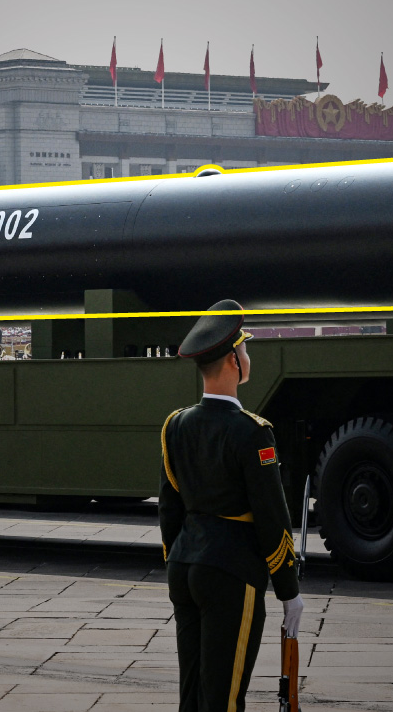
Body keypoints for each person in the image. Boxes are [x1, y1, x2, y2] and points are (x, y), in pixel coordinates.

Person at [160, 299, 304, 712]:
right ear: (232, 362)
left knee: (192, 697)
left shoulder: (176, 424)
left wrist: (180, 557)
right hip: (230, 572)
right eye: (244, 349)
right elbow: (272, 516)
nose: (248, 356)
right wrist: (288, 590)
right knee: (224, 700)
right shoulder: (253, 433)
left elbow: (170, 508)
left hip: (184, 567)